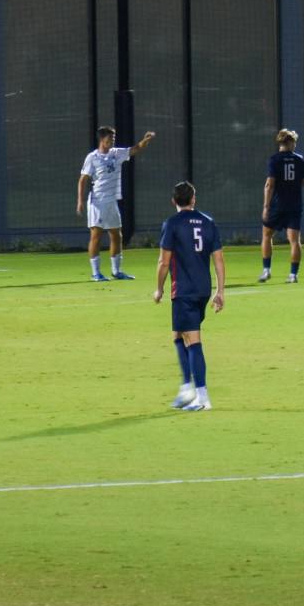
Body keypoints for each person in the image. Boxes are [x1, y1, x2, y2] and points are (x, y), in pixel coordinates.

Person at [153, 181, 226, 412]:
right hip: (203, 290)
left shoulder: (172, 224)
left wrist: (159, 288)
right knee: (178, 334)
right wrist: (220, 291)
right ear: (193, 199)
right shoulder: (208, 222)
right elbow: (219, 259)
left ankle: (202, 397)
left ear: (173, 201)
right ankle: (186, 389)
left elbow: (164, 262)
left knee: (193, 340)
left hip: (184, 290)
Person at [76, 126, 157, 282]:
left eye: (113, 138)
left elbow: (135, 149)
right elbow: (83, 180)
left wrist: (146, 140)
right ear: (102, 139)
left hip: (112, 201)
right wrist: (80, 200)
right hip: (98, 202)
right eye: (109, 138)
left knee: (116, 235)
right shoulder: (92, 157)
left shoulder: (116, 153)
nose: (112, 140)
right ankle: (96, 273)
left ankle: (117, 271)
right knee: (96, 236)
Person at [259, 128, 304, 283]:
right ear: (290, 142)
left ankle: (266, 271)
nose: (295, 145)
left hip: (277, 205)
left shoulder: (274, 160)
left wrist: (266, 207)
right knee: (294, 240)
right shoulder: (300, 160)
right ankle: (293, 275)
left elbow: (269, 185)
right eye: (294, 142)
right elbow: (303, 183)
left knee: (267, 236)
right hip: (294, 205)